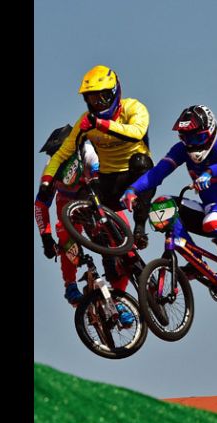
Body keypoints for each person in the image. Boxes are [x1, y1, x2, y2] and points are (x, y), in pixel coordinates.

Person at [122, 105, 217, 294]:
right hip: (207, 209)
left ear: (211, 131)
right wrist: (132, 189)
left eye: (197, 138)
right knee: (163, 206)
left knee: (213, 220)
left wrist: (210, 173)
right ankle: (195, 260)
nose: (192, 144)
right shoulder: (182, 150)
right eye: (186, 138)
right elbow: (158, 172)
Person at [39, 65, 156, 291]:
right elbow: (62, 153)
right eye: (91, 99)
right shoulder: (85, 122)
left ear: (114, 92)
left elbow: (137, 132)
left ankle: (140, 231)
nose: (97, 103)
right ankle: (102, 257)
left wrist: (100, 124)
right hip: (110, 179)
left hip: (134, 174)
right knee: (82, 205)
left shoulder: (134, 107)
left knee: (140, 162)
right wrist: (46, 180)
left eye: (102, 97)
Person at [34, 125, 135, 327]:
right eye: (54, 155)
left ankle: (120, 299)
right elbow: (40, 206)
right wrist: (45, 237)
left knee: (122, 243)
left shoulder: (88, 151)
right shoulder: (50, 169)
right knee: (64, 235)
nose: (57, 158)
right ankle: (70, 285)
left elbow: (101, 175)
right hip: (68, 203)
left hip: (94, 195)